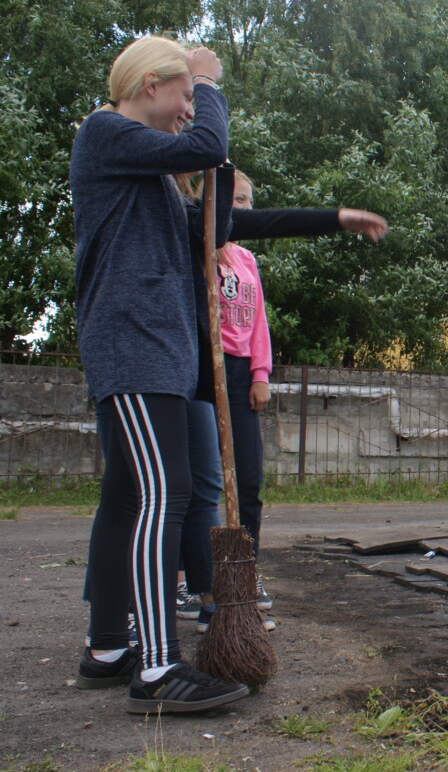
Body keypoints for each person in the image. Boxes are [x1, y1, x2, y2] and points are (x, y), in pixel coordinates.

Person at [70, 35, 250, 712]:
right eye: (182, 95)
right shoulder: (104, 132)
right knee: (163, 495)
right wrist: (209, 88)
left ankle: (108, 647)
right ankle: (155, 666)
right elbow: (199, 142)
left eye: (193, 96)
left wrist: (219, 166)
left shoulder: (143, 175)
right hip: (134, 345)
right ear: (152, 85)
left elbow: (210, 229)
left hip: (156, 350)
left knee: (125, 496)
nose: (188, 109)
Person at [175, 169, 388, 633]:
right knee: (200, 486)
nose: (245, 211)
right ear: (209, 204)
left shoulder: (246, 261)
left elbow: (257, 325)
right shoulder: (193, 247)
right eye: (236, 202)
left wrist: (260, 374)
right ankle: (193, 582)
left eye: (249, 203)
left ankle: (242, 573)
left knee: (247, 482)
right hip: (197, 369)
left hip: (237, 374)